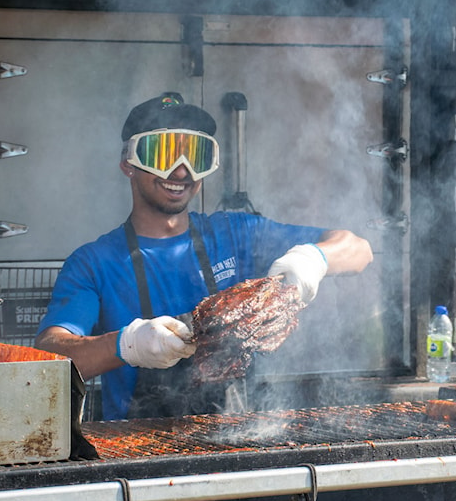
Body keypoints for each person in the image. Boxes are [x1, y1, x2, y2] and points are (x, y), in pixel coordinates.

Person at [34, 92, 374, 420]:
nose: (181, 171)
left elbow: (358, 249)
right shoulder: (94, 263)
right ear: (128, 164)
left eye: (193, 155)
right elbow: (48, 357)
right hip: (135, 449)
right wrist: (128, 344)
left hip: (235, 439)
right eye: (163, 153)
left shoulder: (236, 234)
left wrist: (314, 259)